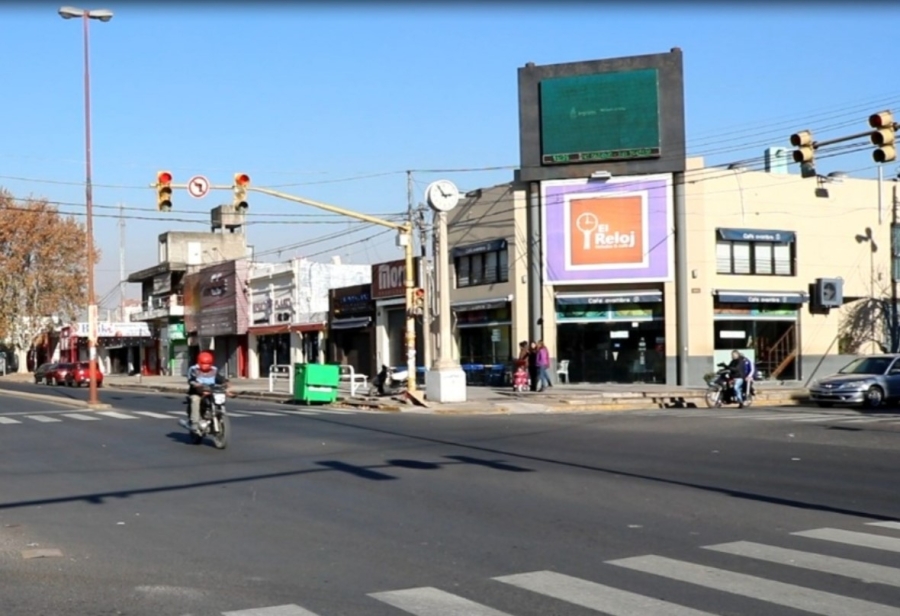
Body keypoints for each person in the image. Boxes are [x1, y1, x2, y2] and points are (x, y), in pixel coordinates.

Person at [185, 351, 229, 432]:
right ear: (199, 362)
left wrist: (225, 382)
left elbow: (218, 378)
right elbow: (191, 380)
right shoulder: (194, 369)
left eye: (208, 363)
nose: (206, 365)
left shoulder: (214, 370)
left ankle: (217, 414)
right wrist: (197, 385)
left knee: (219, 397)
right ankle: (194, 422)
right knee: (195, 400)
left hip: (210, 391)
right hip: (197, 392)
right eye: (204, 363)